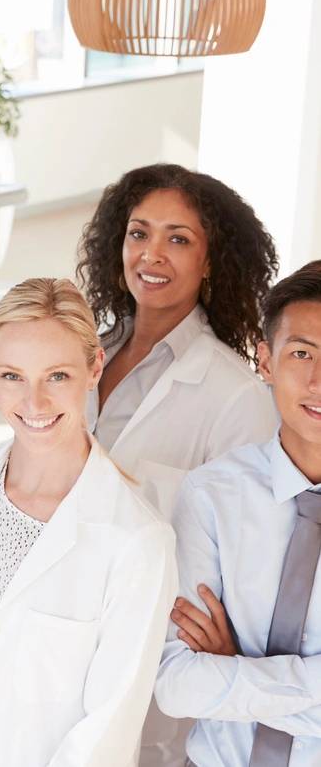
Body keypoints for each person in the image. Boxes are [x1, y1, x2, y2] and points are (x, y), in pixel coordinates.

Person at [0, 278, 177, 767]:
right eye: (12, 376)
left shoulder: (137, 539)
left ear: (95, 368)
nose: (35, 402)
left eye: (58, 376)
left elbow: (107, 729)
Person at [77, 164, 279, 767]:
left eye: (179, 238)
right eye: (139, 233)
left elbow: (250, 545)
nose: (152, 254)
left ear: (212, 262)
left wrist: (228, 641)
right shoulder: (88, 351)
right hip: (66, 618)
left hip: (154, 642)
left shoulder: (236, 394)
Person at [156, 260, 321, 767]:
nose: (318, 381)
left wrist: (233, 667)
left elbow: (205, 681)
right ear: (265, 361)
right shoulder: (210, 494)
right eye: (302, 354)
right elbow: (176, 686)